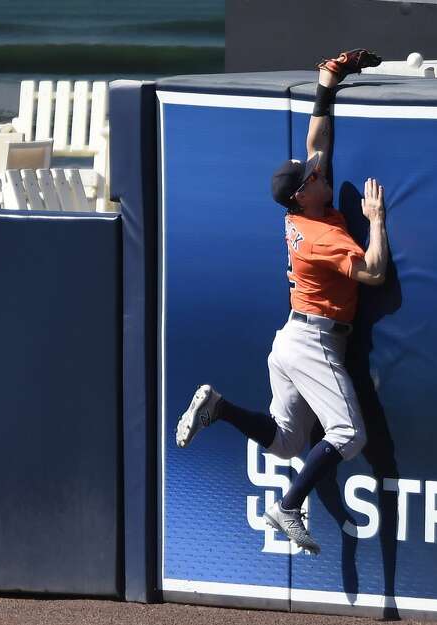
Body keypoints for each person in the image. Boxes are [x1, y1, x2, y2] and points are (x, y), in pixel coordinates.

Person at [174, 49, 387, 555]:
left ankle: (220, 408)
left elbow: (318, 142)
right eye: (312, 176)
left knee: (288, 443)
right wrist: (376, 219)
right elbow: (374, 273)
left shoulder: (303, 211)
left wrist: (326, 83)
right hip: (315, 341)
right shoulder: (318, 236)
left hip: (291, 340)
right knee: (349, 436)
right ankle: (289, 505)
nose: (318, 171)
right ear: (304, 195)